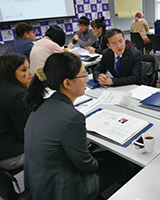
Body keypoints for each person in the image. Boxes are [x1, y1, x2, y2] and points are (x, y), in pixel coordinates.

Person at [25, 52, 133, 200]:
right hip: (62, 190)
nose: (87, 79)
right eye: (83, 75)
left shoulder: (41, 104)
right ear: (67, 83)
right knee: (117, 162)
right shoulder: (72, 118)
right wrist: (97, 163)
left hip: (40, 182)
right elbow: (85, 164)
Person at [0, 53, 32, 170]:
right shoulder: (16, 94)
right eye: (24, 70)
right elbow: (26, 134)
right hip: (10, 156)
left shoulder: (5, 87)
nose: (30, 73)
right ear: (10, 73)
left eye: (29, 68)